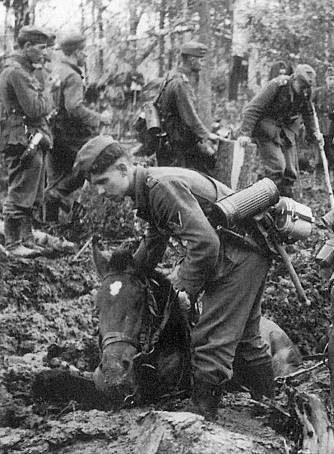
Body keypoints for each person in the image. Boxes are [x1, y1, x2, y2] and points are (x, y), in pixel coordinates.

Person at [73, 135, 276, 421]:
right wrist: (128, 273)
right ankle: (272, 406)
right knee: (246, 338)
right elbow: (155, 239)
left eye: (103, 181)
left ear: (122, 169)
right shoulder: (148, 188)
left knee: (211, 336)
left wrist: (184, 288)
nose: (100, 191)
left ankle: (201, 414)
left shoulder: (160, 188)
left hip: (236, 258)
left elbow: (206, 245)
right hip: (246, 253)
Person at [45, 31, 113, 222]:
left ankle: (50, 225)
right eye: (84, 51)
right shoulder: (73, 76)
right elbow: (73, 107)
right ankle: (54, 197)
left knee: (55, 178)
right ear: (76, 52)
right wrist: (100, 118)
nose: (86, 55)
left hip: (53, 133)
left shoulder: (57, 70)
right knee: (89, 165)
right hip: (70, 135)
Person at [0, 26, 55, 257]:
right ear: (27, 46)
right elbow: (34, 108)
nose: (44, 53)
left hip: (31, 136)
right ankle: (13, 244)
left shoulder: (24, 70)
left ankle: (26, 238)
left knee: (33, 192)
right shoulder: (16, 73)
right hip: (22, 137)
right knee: (21, 189)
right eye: (41, 48)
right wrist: (50, 92)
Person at [237, 63, 323, 197]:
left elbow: (308, 113)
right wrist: (245, 134)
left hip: (286, 130)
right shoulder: (277, 85)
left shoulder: (306, 91)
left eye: (306, 87)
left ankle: (285, 205)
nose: (303, 91)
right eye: (301, 87)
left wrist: (314, 133)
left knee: (290, 172)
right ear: (294, 79)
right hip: (267, 129)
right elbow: (252, 109)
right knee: (277, 168)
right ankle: (262, 204)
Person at [157, 41, 218, 174]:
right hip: (179, 146)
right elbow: (189, 117)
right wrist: (207, 135)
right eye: (201, 60)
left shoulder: (171, 76)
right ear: (192, 60)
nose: (202, 64)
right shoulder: (180, 83)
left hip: (173, 142)